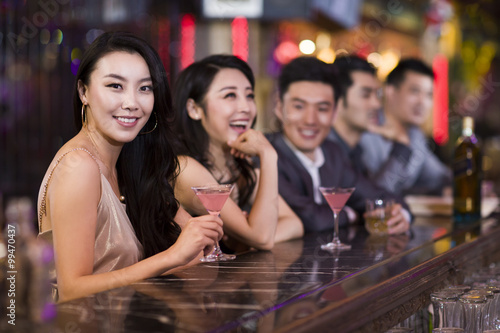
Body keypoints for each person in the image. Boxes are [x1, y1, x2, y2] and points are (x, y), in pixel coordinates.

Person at [37, 32, 223, 302]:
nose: (132, 103)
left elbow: (196, 249)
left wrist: (197, 241)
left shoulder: (128, 164)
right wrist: (171, 256)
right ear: (84, 92)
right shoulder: (78, 167)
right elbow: (71, 290)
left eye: (144, 88)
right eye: (115, 86)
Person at [171, 55, 303, 251]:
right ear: (194, 109)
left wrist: (247, 241)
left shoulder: (239, 163)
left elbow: (294, 225)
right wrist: (268, 155)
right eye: (230, 95)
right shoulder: (185, 168)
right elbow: (262, 238)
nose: (245, 108)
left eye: (249, 96)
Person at [266, 56, 411, 234]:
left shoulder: (332, 153)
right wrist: (351, 214)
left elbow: (379, 197)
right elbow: (310, 219)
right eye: (299, 107)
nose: (310, 120)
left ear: (335, 112)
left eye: (322, 109)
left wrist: (400, 214)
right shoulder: (267, 156)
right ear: (280, 108)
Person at [359, 58, 452, 196]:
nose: (422, 102)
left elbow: (439, 176)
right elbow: (375, 194)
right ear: (390, 92)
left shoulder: (415, 135)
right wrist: (401, 148)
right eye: (415, 91)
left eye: (428, 95)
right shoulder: (367, 131)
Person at [326, 55, 382, 176]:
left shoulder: (359, 150)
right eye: (366, 95)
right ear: (338, 100)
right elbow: (369, 193)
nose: (376, 104)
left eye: (377, 95)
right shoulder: (323, 154)